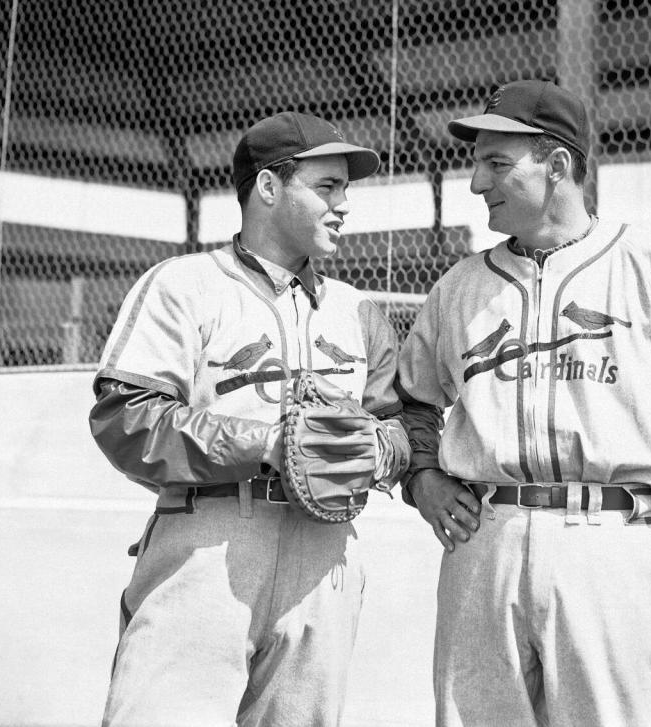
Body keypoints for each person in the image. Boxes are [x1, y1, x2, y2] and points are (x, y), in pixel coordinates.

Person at [395, 79, 651, 727]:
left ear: (559, 165)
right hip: (485, 548)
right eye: (476, 162)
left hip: (614, 545)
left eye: (497, 163)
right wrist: (422, 474)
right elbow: (410, 403)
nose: (476, 182)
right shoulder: (458, 288)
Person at [90, 111, 411, 726]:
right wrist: (269, 443)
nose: (344, 205)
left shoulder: (357, 310)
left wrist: (375, 450)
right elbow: (125, 416)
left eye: (345, 188)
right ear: (268, 187)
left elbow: (399, 427)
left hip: (326, 555)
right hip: (210, 537)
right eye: (327, 186)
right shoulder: (184, 284)